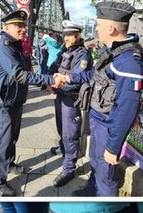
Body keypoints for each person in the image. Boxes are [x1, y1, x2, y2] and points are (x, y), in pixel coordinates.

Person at [55, 1, 143, 197]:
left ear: (111, 28)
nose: (96, 29)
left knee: (107, 176)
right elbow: (93, 76)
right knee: (96, 163)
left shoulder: (130, 62)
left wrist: (114, 147)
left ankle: (106, 203)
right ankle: (91, 191)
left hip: (108, 126)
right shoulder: (113, 52)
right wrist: (69, 77)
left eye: (98, 25)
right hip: (98, 120)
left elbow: (126, 109)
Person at [0, 10, 57, 196]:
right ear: (7, 27)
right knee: (2, 142)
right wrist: (50, 80)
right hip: (5, 103)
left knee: (12, 137)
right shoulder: (4, 47)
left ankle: (9, 164)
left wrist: (45, 85)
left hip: (16, 100)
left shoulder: (16, 45)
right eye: (19, 26)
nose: (23, 29)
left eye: (23, 26)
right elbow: (19, 75)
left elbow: (28, 71)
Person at [46, 19, 94, 187]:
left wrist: (59, 82)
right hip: (59, 95)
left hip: (71, 99)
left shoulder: (83, 54)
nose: (65, 38)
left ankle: (69, 168)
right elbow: (52, 68)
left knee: (70, 134)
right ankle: (64, 149)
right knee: (61, 128)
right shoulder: (64, 52)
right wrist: (49, 83)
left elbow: (81, 77)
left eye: (69, 35)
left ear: (78, 35)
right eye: (64, 34)